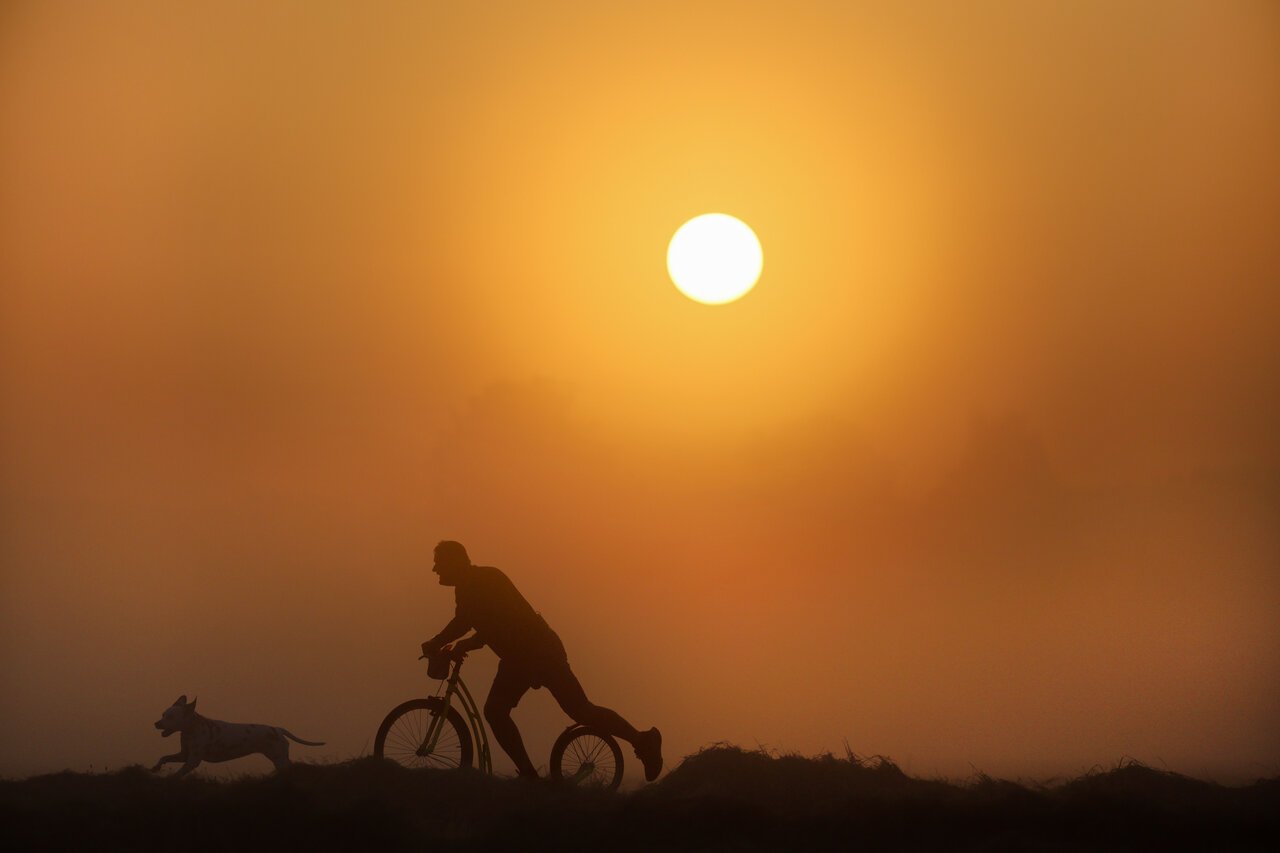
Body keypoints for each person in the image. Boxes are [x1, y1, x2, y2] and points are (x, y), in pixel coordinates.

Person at [420, 540, 664, 782]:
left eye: (438, 563)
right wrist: (448, 641)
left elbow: (500, 621)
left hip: (540, 653)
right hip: (518, 659)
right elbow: (468, 621)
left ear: (454, 562)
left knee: (579, 710)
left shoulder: (486, 580)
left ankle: (643, 740)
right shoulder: (467, 587)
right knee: (496, 711)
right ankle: (528, 776)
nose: (435, 569)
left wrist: (450, 642)